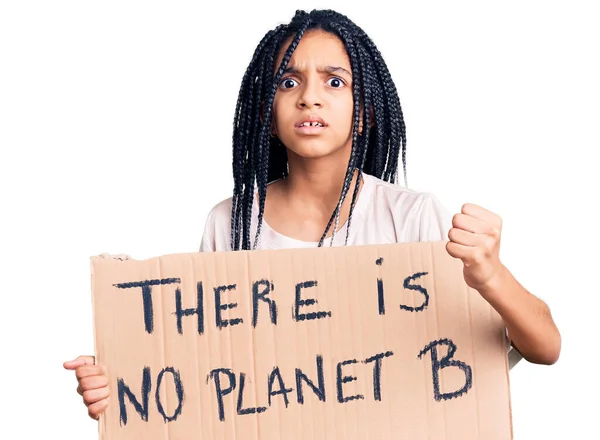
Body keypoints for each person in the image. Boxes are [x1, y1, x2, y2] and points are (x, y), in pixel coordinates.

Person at [64, 9, 561, 421]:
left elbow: (545, 346)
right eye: (288, 80)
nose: (310, 96)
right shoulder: (231, 223)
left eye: (335, 81)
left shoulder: (411, 218)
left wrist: (490, 274)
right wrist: (121, 384)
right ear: (265, 111)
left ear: (364, 110)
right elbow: (202, 374)